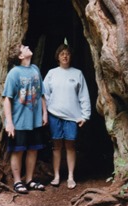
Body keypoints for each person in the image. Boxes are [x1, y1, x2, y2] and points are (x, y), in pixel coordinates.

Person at [43, 44, 91, 189]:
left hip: (72, 117)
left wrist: (85, 115)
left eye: (67, 54)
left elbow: (84, 96)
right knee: (56, 146)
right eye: (62, 54)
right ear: (57, 57)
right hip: (54, 115)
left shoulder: (77, 74)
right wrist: (48, 110)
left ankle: (71, 176)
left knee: (70, 145)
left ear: (70, 57)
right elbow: (45, 94)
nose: (65, 56)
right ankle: (56, 176)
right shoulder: (52, 73)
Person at [2, 43, 48, 194]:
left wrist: (44, 113)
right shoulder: (14, 73)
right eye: (24, 47)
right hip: (19, 121)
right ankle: (17, 181)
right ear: (20, 56)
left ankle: (29, 180)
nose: (28, 46)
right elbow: (7, 99)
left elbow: (41, 94)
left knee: (33, 150)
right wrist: (9, 122)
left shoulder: (35, 70)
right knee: (18, 150)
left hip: (34, 120)